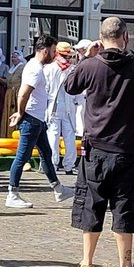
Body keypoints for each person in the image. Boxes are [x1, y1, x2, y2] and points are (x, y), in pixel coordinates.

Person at [65, 17, 134, 267]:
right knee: (125, 207)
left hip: (94, 149)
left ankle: (86, 265)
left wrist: (85, 56)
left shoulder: (90, 66)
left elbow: (70, 86)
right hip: (125, 150)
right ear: (126, 37)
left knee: (91, 205)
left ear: (101, 37)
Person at [6, 34, 76, 209]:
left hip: (38, 119)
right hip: (31, 119)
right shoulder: (35, 69)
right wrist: (20, 112)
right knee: (22, 156)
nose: (55, 55)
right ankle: (12, 193)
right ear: (45, 51)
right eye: (53, 51)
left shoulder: (37, 66)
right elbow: (23, 93)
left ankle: (58, 188)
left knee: (46, 153)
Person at [45, 41, 78, 174]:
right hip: (66, 104)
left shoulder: (49, 68)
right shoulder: (72, 69)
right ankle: (68, 165)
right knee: (67, 135)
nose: (68, 59)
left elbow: (45, 89)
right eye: (67, 56)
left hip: (55, 105)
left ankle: (54, 164)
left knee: (55, 134)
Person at [1, 47, 25, 136]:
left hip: (16, 94)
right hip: (9, 93)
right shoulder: (12, 68)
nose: (13, 59)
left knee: (13, 112)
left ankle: (13, 133)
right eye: (12, 57)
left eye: (15, 57)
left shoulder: (22, 68)